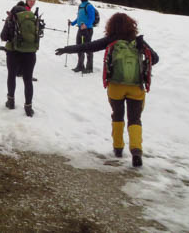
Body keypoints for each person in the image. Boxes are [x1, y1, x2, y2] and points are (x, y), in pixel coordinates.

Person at [55, 12, 159, 167]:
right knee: (134, 119)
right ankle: (136, 151)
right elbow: (155, 58)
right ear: (131, 25)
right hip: (136, 87)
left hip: (115, 86)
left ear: (112, 25)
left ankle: (118, 149)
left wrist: (66, 49)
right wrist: (140, 65)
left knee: (117, 116)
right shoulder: (138, 42)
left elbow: (88, 46)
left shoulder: (112, 40)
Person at [0, 0, 41, 117]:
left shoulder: (11, 18)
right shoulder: (32, 18)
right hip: (30, 53)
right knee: (28, 80)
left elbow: (3, 37)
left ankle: (11, 101)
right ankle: (28, 107)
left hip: (13, 52)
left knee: (11, 75)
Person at [68, 0, 97, 73]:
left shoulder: (89, 6)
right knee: (79, 47)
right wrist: (72, 23)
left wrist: (86, 25)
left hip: (88, 30)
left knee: (88, 48)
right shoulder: (80, 5)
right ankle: (80, 66)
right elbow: (79, 18)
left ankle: (89, 68)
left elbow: (92, 18)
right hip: (80, 29)